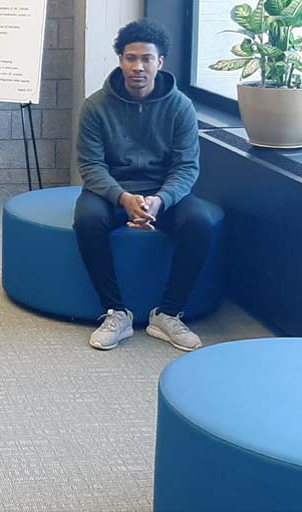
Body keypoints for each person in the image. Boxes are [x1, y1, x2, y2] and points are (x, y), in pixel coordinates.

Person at [74, 18, 213, 352]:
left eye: (146, 59)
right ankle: (115, 312)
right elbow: (90, 165)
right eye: (130, 58)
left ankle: (167, 314)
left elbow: (186, 166)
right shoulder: (95, 106)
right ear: (120, 60)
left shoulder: (180, 107)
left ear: (159, 62)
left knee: (199, 223)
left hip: (164, 191)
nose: (138, 67)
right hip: (112, 190)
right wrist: (123, 198)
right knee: (87, 219)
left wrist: (160, 200)